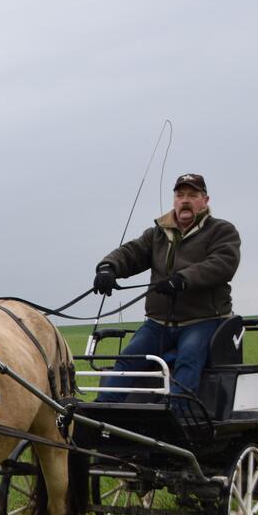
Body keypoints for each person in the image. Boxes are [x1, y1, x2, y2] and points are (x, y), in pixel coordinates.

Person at [92, 173, 241, 404]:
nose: (185, 200)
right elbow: (132, 253)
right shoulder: (158, 233)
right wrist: (108, 267)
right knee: (128, 359)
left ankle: (178, 421)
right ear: (174, 200)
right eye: (180, 195)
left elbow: (222, 264)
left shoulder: (221, 231)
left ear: (205, 200)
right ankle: (100, 415)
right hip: (157, 322)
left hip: (202, 320)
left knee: (188, 360)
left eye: (192, 195)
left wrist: (183, 279)